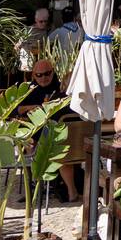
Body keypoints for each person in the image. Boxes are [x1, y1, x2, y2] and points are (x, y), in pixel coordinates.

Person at [20, 59, 77, 201]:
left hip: (59, 140)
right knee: (30, 141)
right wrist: (31, 107)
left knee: (36, 144)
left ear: (53, 72)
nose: (44, 78)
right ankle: (36, 184)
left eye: (47, 74)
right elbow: (17, 109)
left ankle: (36, 183)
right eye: (39, 75)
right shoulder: (28, 90)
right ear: (33, 75)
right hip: (55, 138)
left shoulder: (60, 92)